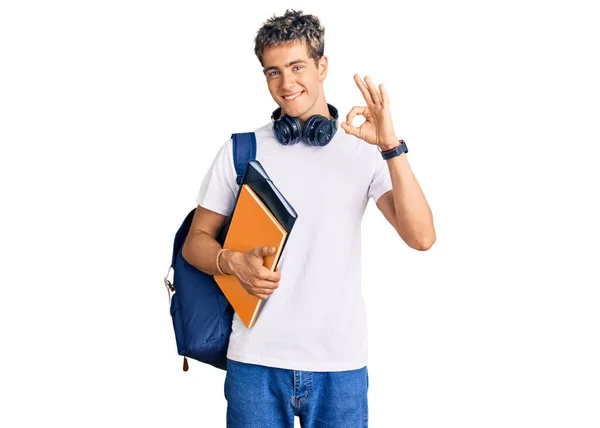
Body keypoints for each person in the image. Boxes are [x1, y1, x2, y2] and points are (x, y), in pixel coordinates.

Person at [181, 8, 436, 428]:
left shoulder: (365, 150)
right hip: (255, 364)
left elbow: (422, 236)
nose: (285, 84)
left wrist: (391, 146)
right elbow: (196, 243)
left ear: (322, 66)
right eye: (273, 72)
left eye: (297, 66)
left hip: (341, 365)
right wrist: (233, 263)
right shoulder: (241, 150)